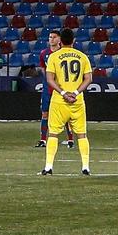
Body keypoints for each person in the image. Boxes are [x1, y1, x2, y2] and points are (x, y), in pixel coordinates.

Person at [40, 22, 94, 176]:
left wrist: (63, 93)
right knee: (82, 134)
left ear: (61, 41)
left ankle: (49, 166)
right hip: (77, 101)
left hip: (59, 101)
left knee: (53, 134)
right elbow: (88, 79)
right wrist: (75, 93)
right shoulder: (82, 57)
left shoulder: (54, 56)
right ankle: (85, 167)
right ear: (73, 41)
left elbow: (50, 79)